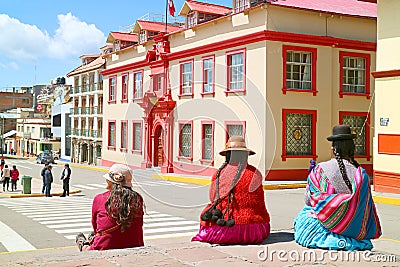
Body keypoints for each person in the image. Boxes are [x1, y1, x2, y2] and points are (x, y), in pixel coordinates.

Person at [294, 125, 382, 250]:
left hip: (325, 225)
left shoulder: (321, 170)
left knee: (303, 216)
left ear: (333, 148)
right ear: (352, 148)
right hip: (353, 229)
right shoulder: (361, 174)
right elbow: (366, 208)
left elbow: (309, 200)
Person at [192, 136, 270, 245]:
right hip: (254, 230)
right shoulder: (255, 174)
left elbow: (212, 199)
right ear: (245, 155)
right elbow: (259, 204)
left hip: (221, 230)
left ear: (227, 156)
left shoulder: (219, 174)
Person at [75, 164, 144, 251]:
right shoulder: (138, 199)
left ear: (112, 182)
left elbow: (95, 226)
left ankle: (83, 245)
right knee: (94, 235)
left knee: (86, 246)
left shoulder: (100, 199)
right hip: (135, 244)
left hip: (105, 246)